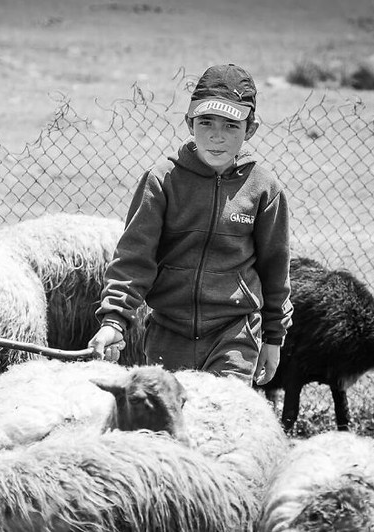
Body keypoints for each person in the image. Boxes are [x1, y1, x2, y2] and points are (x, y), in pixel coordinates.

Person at [87, 63, 292, 386]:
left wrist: (273, 337)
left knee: (221, 419)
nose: (216, 136)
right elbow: (133, 258)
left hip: (234, 334)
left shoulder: (264, 189)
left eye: (231, 126)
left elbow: (275, 270)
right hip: (169, 332)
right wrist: (114, 320)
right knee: (168, 425)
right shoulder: (162, 181)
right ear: (189, 122)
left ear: (250, 129)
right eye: (206, 122)